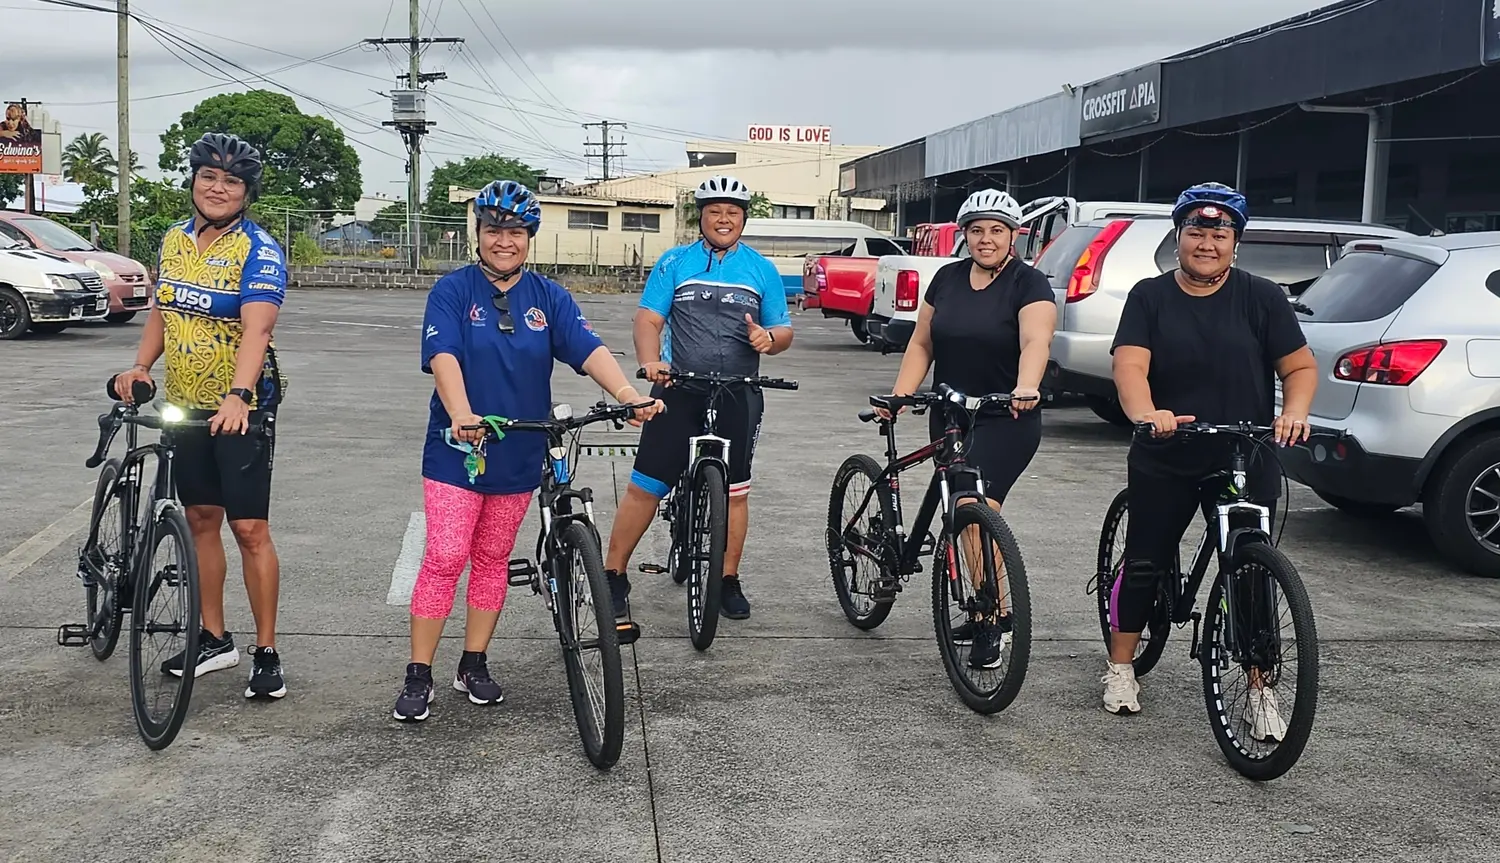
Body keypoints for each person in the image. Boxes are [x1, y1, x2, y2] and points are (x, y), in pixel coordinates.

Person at [395, 179, 663, 722]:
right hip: (458, 447)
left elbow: (588, 350)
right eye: (494, 229)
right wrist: (461, 411)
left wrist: (628, 394)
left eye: (515, 231)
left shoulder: (548, 297)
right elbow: (443, 355)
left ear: (529, 237)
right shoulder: (453, 291)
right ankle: (418, 672)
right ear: (478, 233)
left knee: (493, 559)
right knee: (446, 557)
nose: (504, 240)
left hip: (521, 447)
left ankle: (473, 661)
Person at [1105, 181, 1317, 739]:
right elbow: (1129, 368)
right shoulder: (1149, 297)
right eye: (1196, 230)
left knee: (1251, 574)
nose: (1207, 242)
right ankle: (1121, 666)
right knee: (1147, 559)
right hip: (1167, 451)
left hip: (1244, 454)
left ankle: (1257, 688)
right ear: (1178, 237)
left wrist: (1294, 411)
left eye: (1219, 232)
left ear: (1236, 242)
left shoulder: (1262, 297)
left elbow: (1299, 369)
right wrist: (1148, 413)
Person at [114, 132, 290, 700]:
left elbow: (258, 329)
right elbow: (163, 315)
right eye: (209, 177)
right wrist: (140, 366)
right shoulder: (172, 242)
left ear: (246, 193)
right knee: (201, 521)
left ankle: (266, 651)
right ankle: (214, 637)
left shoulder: (259, 250)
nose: (218, 188)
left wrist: (238, 395)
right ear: (193, 182)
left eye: (231, 181)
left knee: (250, 529)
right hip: (184, 406)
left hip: (243, 408)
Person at [602, 175, 794, 623]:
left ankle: (727, 579)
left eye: (733, 212)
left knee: (736, 493)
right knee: (645, 485)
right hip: (679, 389)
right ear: (701, 217)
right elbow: (648, 320)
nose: (723, 219)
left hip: (738, 392)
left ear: (743, 219)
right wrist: (651, 362)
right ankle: (614, 573)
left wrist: (771, 339)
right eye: (714, 211)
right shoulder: (675, 262)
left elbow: (783, 330)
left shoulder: (761, 269)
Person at [880, 188, 1056, 669]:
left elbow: (1036, 341)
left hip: (1006, 415)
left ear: (1013, 235)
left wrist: (1026, 386)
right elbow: (922, 342)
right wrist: (902, 394)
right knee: (960, 514)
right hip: (951, 411)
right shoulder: (947, 280)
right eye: (976, 230)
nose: (986, 239)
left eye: (996, 230)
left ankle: (992, 618)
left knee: (977, 512)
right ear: (964, 235)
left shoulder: (1029, 283)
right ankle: (980, 601)